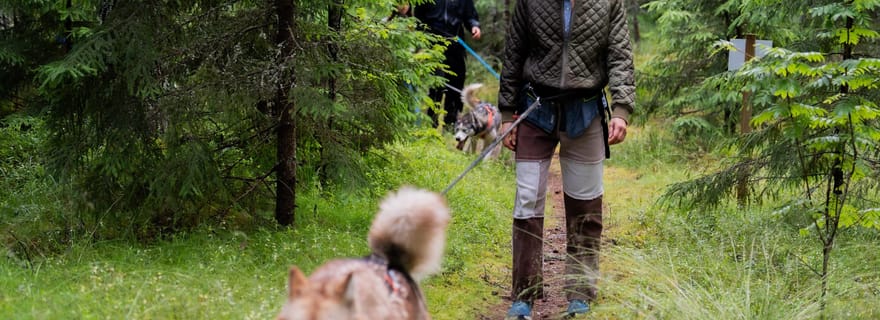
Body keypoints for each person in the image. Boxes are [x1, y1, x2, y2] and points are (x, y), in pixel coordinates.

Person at [496, 0, 634, 318]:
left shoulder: (609, 3)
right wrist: (506, 114)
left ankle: (580, 294)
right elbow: (513, 53)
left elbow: (621, 57)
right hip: (535, 108)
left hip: (585, 110)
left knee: (586, 205)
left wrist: (622, 110)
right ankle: (524, 297)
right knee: (527, 200)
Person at [412, 0, 482, 127]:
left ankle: (451, 123)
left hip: (455, 42)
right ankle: (431, 122)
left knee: (456, 83)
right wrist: (421, 42)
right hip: (432, 42)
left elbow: (470, 15)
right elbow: (418, 18)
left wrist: (474, 26)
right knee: (436, 84)